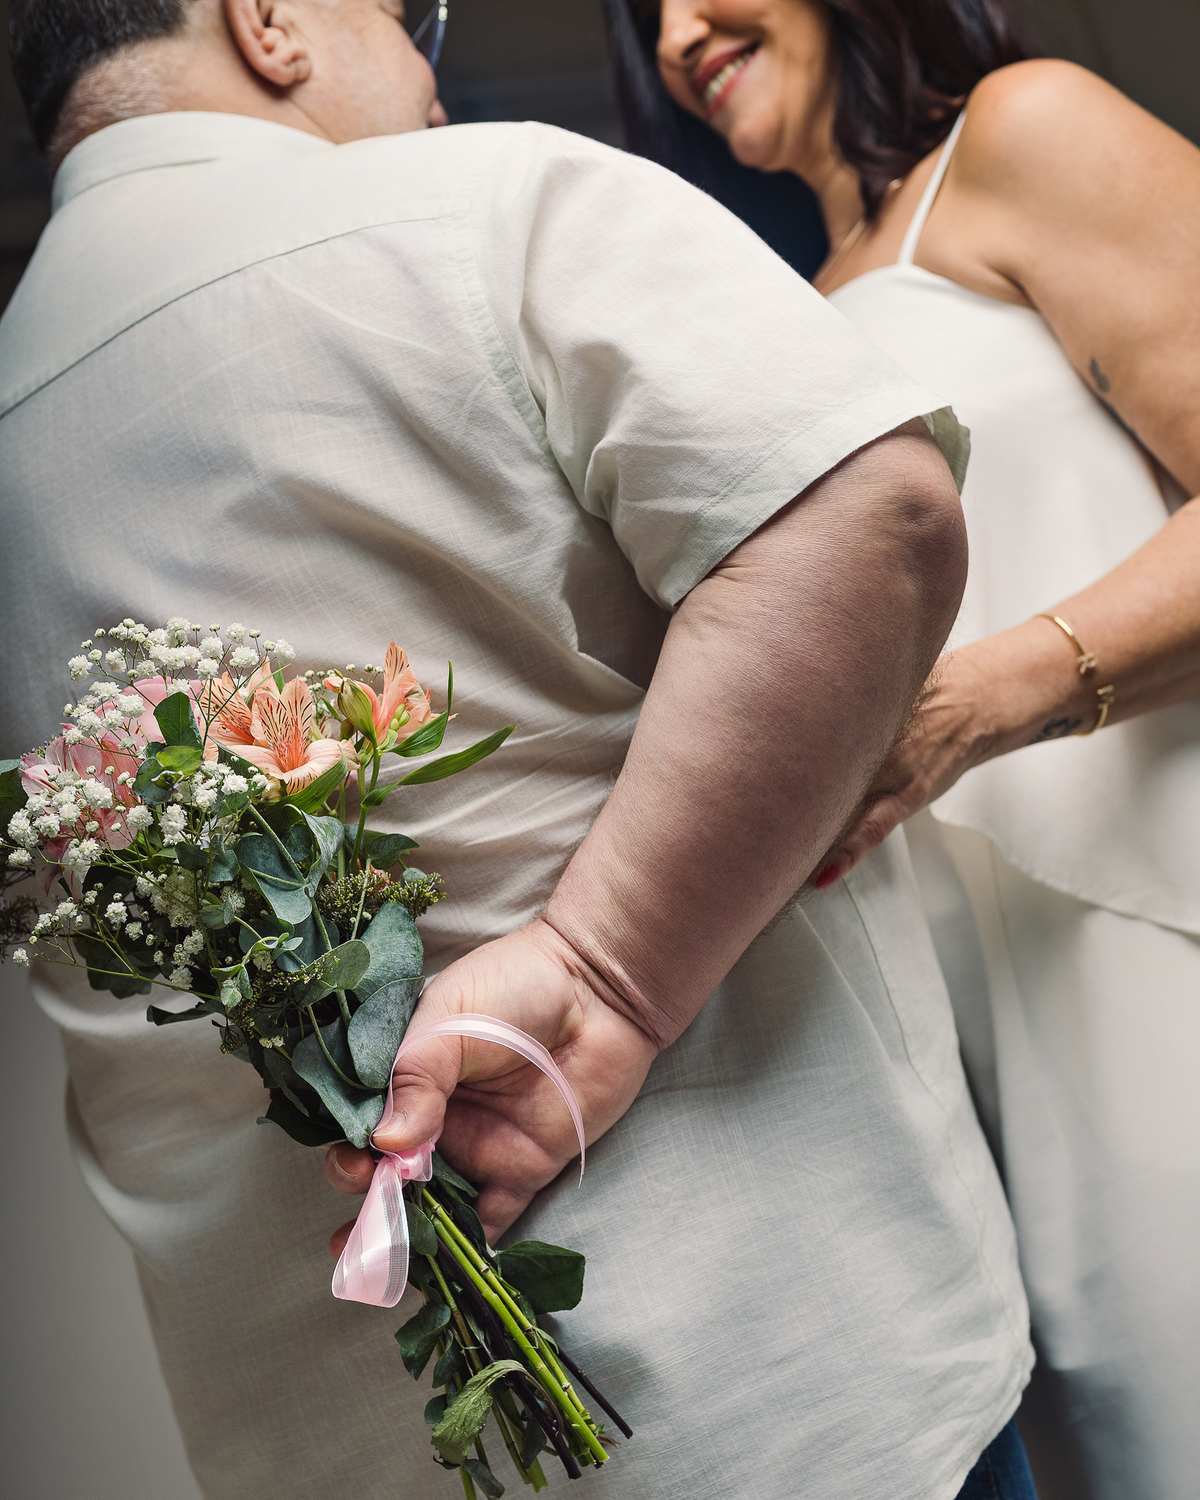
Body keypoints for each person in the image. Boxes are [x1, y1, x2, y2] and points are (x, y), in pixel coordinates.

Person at [0, 0, 1037, 1495]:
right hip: (788, 1365)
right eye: (405, 19)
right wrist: (610, 970)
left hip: (324, 1444)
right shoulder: (474, 205)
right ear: (270, 21)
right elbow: (870, 515)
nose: (432, 81)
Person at [602, 0, 1200, 1494]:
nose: (676, 32)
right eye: (643, 11)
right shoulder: (788, 307)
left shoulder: (1024, 129)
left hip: (1154, 927)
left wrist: (973, 704)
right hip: (958, 1037)